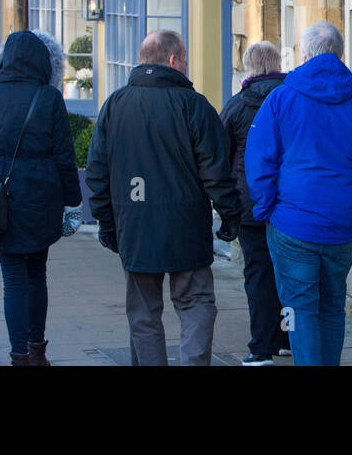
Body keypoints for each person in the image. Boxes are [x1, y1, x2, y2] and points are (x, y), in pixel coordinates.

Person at [86, 30, 242, 366]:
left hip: (134, 221)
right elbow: (215, 171)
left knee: (143, 311)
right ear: (173, 60)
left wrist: (106, 221)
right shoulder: (194, 105)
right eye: (185, 58)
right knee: (196, 300)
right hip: (186, 223)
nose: (187, 65)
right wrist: (229, 215)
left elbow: (97, 171)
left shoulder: (115, 105)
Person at [246, 21, 352, 366]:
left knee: (299, 309)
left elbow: (259, 161)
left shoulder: (280, 99)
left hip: (293, 222)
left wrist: (267, 210)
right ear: (340, 54)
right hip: (343, 224)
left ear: (304, 53)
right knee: (332, 305)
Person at [0, 30, 82, 366]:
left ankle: (18, 356)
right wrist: (73, 203)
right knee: (37, 273)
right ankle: (37, 349)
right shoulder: (49, 97)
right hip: (43, 194)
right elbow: (64, 157)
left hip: (4, 194)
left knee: (13, 278)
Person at [219, 40, 289, 366]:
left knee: (258, 275)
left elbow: (220, 158)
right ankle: (287, 336)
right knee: (289, 273)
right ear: (276, 64)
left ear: (249, 67)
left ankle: (261, 348)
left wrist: (226, 205)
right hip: (289, 205)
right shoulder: (293, 100)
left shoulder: (236, 106)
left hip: (250, 206)